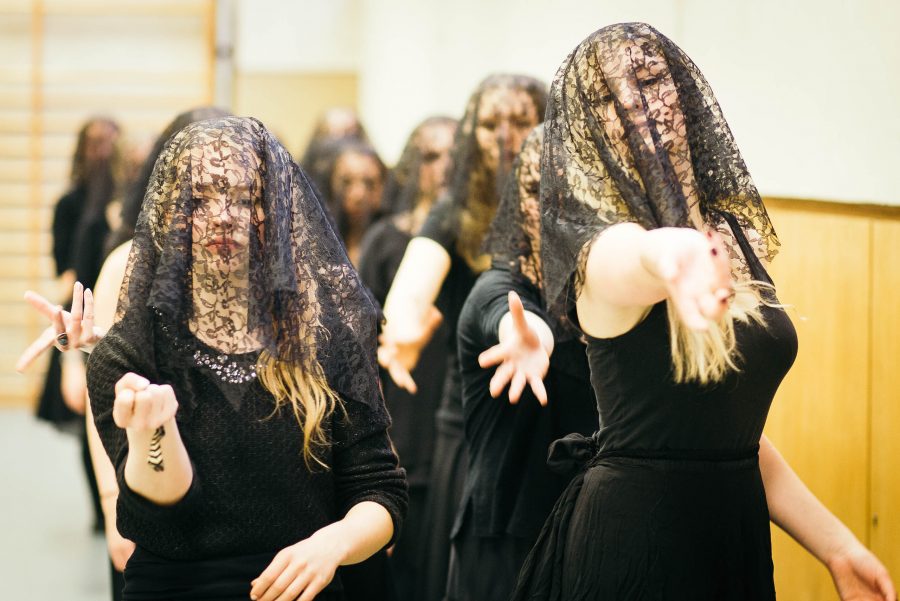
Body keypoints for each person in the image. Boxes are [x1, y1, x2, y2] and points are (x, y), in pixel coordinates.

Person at [507, 22, 895, 601]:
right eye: (605, 98)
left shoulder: (733, 236)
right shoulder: (602, 252)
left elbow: (735, 442)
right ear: (590, 130)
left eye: (649, 79)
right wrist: (676, 255)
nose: (634, 104)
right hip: (634, 544)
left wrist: (838, 546)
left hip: (730, 535)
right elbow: (640, 256)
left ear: (685, 93)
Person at [84, 116, 406, 600]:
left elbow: (382, 492)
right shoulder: (133, 349)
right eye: (202, 197)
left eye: (245, 197)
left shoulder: (325, 337)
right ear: (173, 212)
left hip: (303, 587)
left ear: (274, 212)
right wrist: (154, 430)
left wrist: (333, 544)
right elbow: (162, 512)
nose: (223, 214)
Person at [378, 74, 547, 601]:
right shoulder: (453, 209)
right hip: (473, 421)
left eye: (521, 122)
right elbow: (410, 288)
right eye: (491, 124)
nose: (506, 137)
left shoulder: (566, 207)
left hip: (552, 415)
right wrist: (401, 327)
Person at [446, 124, 599, 601]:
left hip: (591, 537)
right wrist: (530, 338)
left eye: (567, 191)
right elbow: (513, 319)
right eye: (535, 190)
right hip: (506, 543)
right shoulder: (497, 289)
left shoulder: (614, 295)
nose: (549, 207)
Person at [357, 115, 457, 600]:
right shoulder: (385, 240)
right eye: (432, 155)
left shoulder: (474, 247)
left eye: (453, 155)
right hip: (402, 423)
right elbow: (360, 350)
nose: (444, 166)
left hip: (457, 430)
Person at [322, 140, 387, 266]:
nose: (358, 195)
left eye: (370, 183)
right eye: (346, 182)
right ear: (330, 183)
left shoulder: (393, 242)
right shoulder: (315, 239)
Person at [299, 107, 369, 200]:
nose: (341, 142)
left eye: (349, 133)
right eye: (332, 134)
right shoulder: (303, 179)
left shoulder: (371, 171)